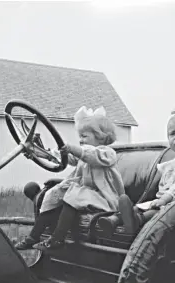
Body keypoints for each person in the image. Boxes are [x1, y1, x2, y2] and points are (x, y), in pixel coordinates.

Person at [98, 101, 175, 234]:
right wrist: (161, 198)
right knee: (141, 206)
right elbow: (166, 184)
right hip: (169, 201)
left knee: (156, 212)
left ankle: (137, 221)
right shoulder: (173, 163)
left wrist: (165, 198)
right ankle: (114, 220)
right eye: (172, 134)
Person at [15, 105, 125, 251]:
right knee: (53, 194)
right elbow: (65, 157)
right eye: (80, 137)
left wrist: (74, 149)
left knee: (74, 195)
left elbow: (91, 155)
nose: (80, 140)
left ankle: (57, 238)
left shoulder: (107, 153)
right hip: (86, 195)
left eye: (84, 136)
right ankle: (33, 236)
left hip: (104, 197)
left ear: (100, 137)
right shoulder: (82, 155)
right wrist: (40, 153)